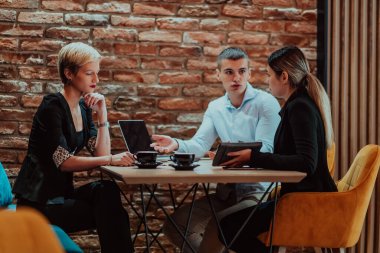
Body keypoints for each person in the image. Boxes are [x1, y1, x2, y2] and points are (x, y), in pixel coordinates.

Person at [151, 47, 281, 252]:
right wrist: (176, 144)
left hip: (259, 194)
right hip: (226, 194)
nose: (236, 77)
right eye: (229, 72)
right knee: (175, 226)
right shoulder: (215, 107)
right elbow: (200, 145)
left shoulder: (266, 103)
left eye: (242, 71)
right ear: (218, 74)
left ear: (250, 73)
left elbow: (266, 149)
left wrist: (227, 153)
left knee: (218, 224)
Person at [12, 42, 135, 253]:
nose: (96, 80)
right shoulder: (52, 107)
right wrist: (112, 160)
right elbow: (64, 162)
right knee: (112, 214)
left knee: (107, 192)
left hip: (62, 197)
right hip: (39, 204)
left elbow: (100, 153)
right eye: (89, 73)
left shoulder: (83, 108)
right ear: (69, 73)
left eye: (97, 73)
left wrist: (102, 114)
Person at [214, 46, 338, 253]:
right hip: (298, 199)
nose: (267, 80)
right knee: (229, 225)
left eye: (270, 75)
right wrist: (253, 157)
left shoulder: (299, 108)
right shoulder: (298, 104)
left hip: (306, 203)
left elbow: (306, 163)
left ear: (284, 77)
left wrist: (253, 157)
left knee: (228, 227)